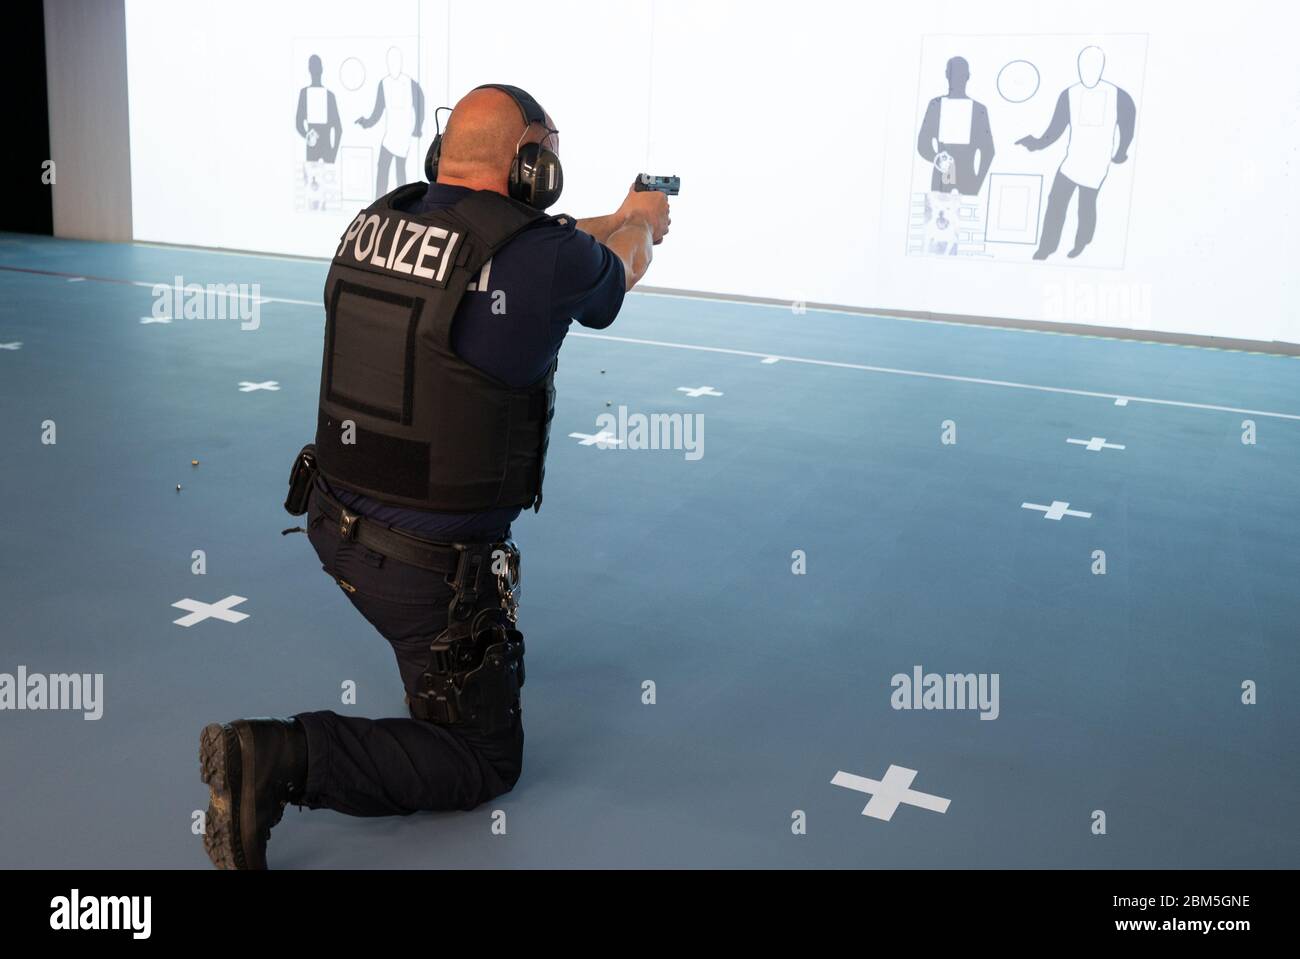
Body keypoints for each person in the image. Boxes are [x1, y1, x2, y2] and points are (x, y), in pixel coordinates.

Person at [198, 84, 671, 870]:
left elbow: (532, 249)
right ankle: (278, 757)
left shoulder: (379, 220)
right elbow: (617, 272)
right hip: (424, 571)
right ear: (529, 167)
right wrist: (643, 225)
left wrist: (611, 215)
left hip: (330, 524)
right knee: (485, 757)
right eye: (549, 153)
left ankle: (420, 681)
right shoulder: (544, 259)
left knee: (445, 666)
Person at [1016, 46, 1136, 259]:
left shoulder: (1119, 96)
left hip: (1097, 164)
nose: (1087, 72)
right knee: (1056, 202)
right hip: (1072, 162)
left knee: (1086, 205)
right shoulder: (1069, 95)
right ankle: (1047, 247)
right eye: (1084, 67)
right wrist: (1035, 144)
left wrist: (1121, 152)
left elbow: (1128, 125)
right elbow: (1054, 131)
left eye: (1093, 67)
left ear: (1101, 68)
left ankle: (1082, 242)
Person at [916, 56, 996, 197]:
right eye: (955, 73)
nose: (957, 78)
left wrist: (977, 184)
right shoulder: (936, 105)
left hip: (967, 180)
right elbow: (923, 143)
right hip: (943, 180)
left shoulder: (979, 109)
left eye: (959, 74)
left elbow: (988, 151)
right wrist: (936, 158)